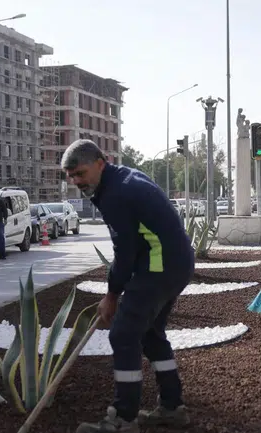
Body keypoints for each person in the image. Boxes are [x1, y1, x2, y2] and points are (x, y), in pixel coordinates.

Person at [61, 139, 194, 433]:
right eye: (70, 176)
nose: (76, 181)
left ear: (100, 162)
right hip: (175, 265)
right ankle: (172, 408)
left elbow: (126, 251)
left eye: (80, 173)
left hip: (160, 267)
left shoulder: (116, 194)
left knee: (122, 335)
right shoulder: (124, 178)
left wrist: (112, 294)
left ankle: (123, 419)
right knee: (151, 335)